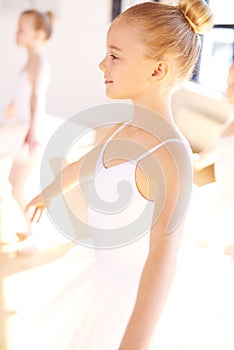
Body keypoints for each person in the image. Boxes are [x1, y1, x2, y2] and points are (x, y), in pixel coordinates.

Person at [16, 1, 216, 349]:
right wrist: (49, 192)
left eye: (114, 55)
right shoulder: (127, 129)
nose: (101, 64)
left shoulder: (171, 153)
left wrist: (135, 341)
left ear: (156, 71)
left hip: (134, 302)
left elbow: (162, 256)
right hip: (103, 280)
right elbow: (87, 164)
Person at [0, 9, 54, 247]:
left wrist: (32, 131)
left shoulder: (40, 63)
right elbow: (24, 95)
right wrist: (12, 106)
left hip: (26, 130)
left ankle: (34, 234)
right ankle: (33, 231)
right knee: (16, 186)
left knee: (17, 185)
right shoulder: (31, 61)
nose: (17, 33)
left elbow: (36, 98)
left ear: (38, 34)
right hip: (23, 127)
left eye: (22, 29)